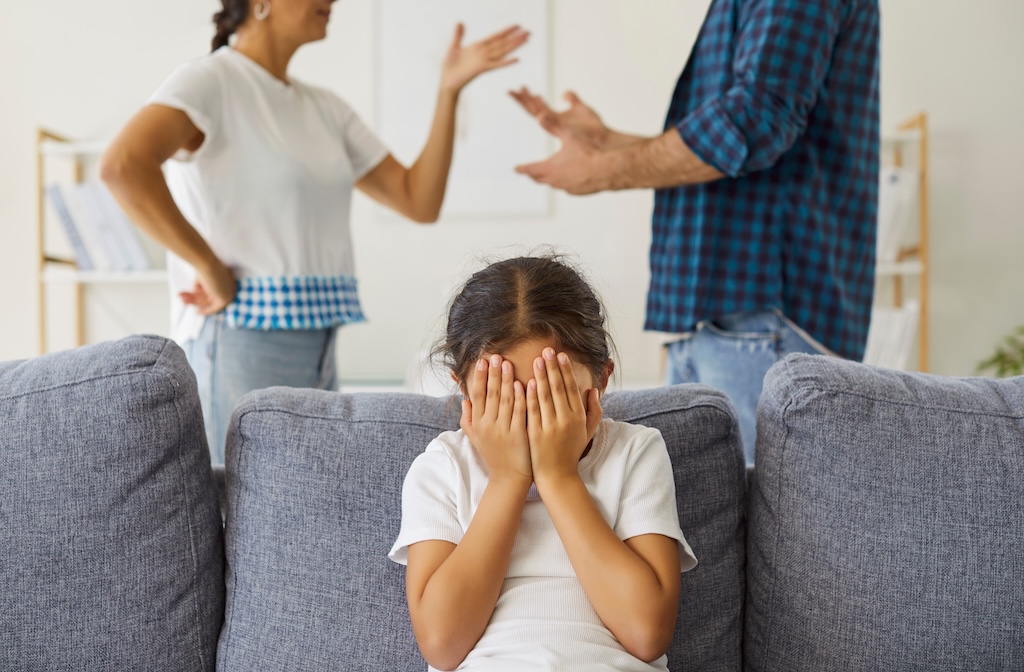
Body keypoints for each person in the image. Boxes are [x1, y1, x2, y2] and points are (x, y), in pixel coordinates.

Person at [99, 0, 528, 462]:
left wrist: (448, 91)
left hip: (320, 338)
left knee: (298, 506)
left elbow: (417, 200)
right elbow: (123, 166)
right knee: (239, 510)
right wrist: (207, 264)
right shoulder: (211, 81)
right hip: (242, 338)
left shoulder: (325, 108)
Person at [510, 0, 880, 463]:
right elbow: (734, 139)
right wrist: (612, 145)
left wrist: (607, 170)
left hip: (756, 310)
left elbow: (756, 120)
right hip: (723, 314)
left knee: (766, 529)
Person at [389, 256, 698, 671]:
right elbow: (443, 645)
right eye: (506, 396)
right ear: (464, 389)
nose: (532, 417)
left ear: (601, 380)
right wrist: (508, 479)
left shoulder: (635, 452)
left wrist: (558, 477)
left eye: (553, 394)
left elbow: (646, 633)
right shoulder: (442, 469)